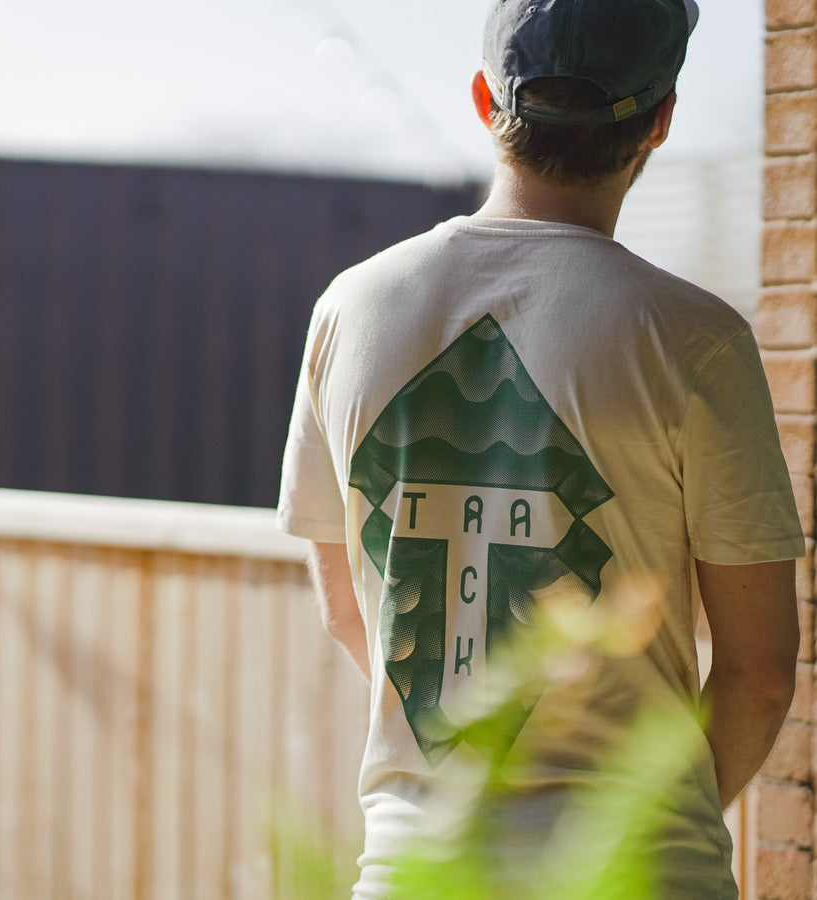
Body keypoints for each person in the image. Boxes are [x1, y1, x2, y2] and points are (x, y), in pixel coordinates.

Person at [277, 0, 805, 897]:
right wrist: (636, 828)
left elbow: (346, 606)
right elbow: (758, 676)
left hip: (418, 869)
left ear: (486, 99)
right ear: (661, 120)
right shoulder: (696, 340)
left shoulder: (349, 309)